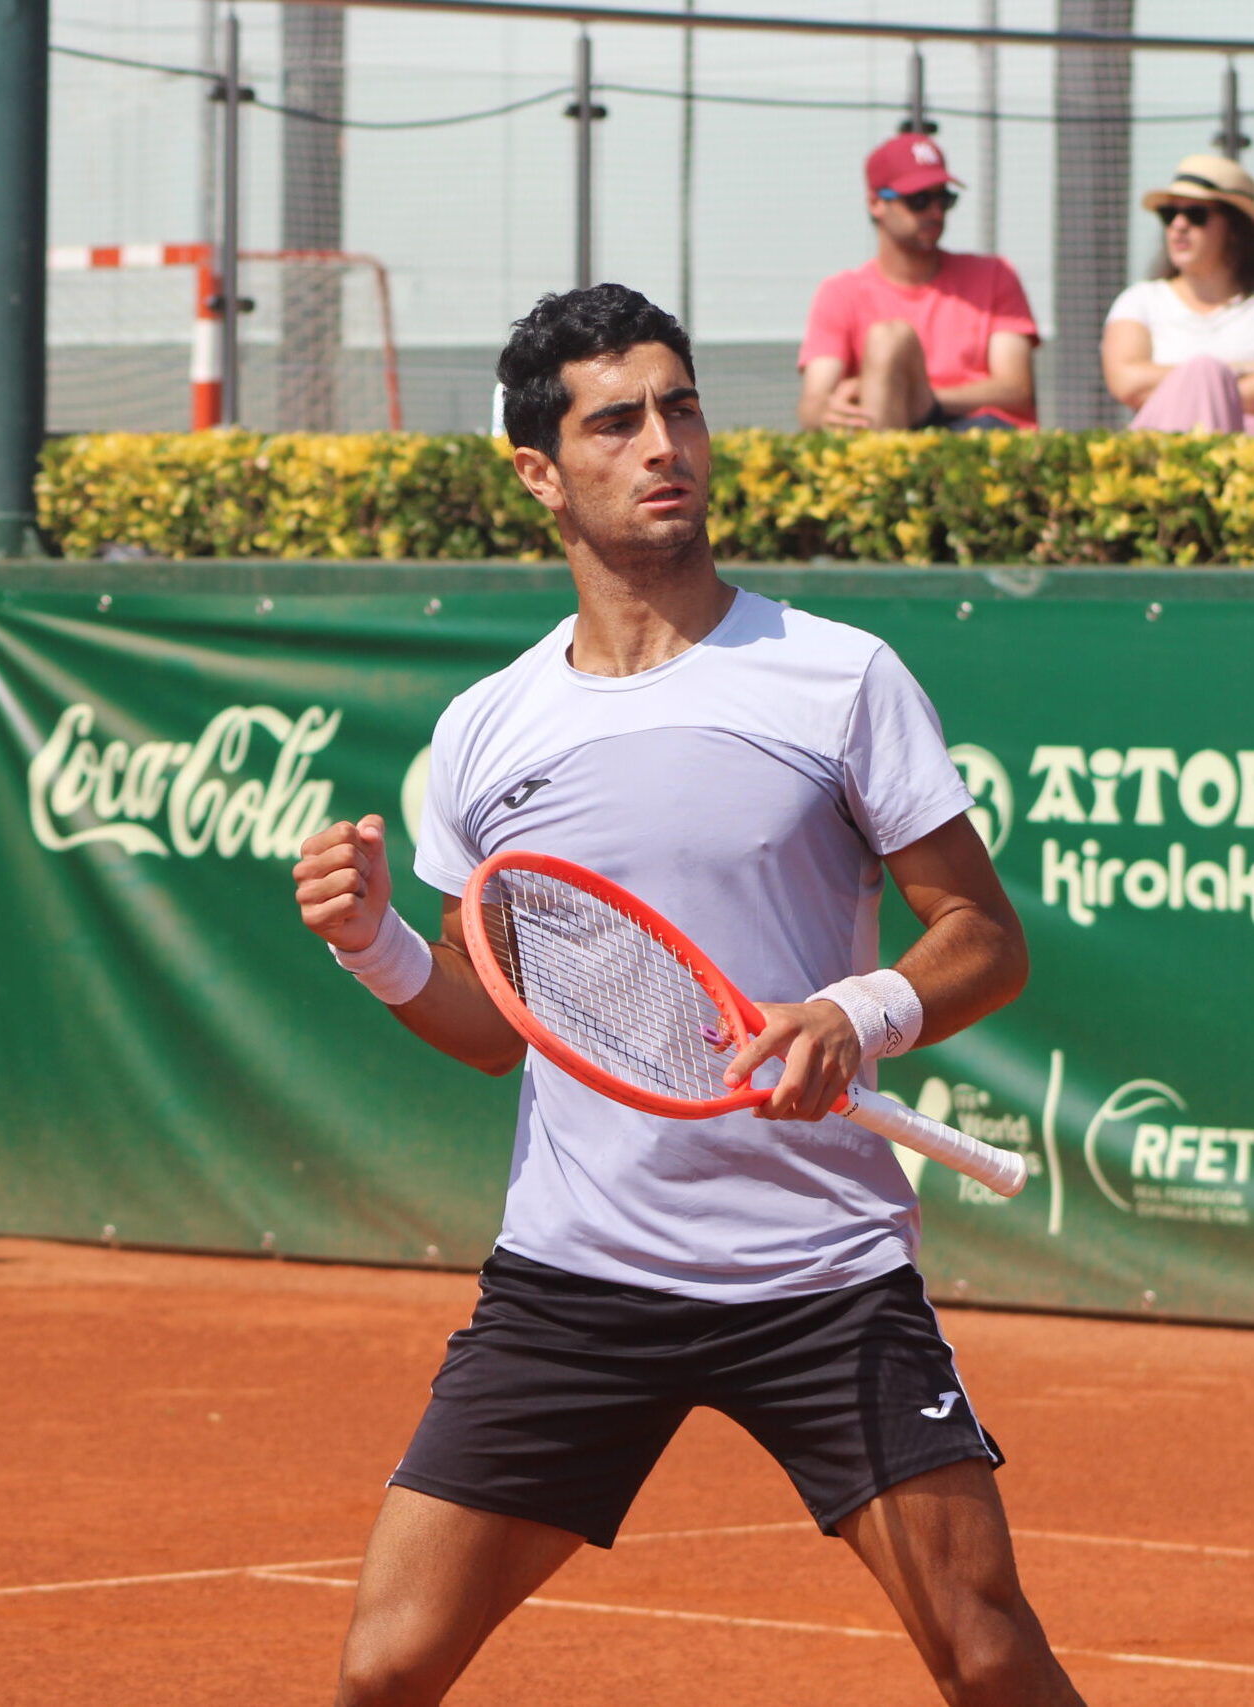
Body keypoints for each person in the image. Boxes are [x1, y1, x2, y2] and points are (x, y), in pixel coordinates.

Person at [293, 283, 1085, 1707]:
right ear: (539, 473)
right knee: (383, 1665)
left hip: (820, 1273)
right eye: (615, 423)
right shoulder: (485, 730)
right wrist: (371, 944)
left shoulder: (838, 678)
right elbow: (495, 1030)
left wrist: (857, 1012)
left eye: (681, 409)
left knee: (982, 1649)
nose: (663, 445)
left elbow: (982, 935)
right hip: (575, 1276)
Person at [798, 134, 1039, 431]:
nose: (935, 213)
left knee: (889, 339)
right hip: (893, 426)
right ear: (875, 203)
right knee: (888, 339)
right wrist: (829, 411)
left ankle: (885, 456)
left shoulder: (995, 275)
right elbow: (812, 404)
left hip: (980, 434)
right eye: (919, 200)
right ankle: (886, 457)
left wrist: (924, 399)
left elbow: (1017, 388)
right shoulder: (839, 293)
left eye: (944, 199)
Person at [1101, 152, 1254, 432]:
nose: (1179, 226)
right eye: (1169, 214)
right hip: (1163, 449)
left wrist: (1176, 385)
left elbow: (1142, 383)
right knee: (1205, 370)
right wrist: (1225, 374)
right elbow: (1126, 382)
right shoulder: (1139, 300)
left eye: (1196, 215)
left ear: (1235, 228)